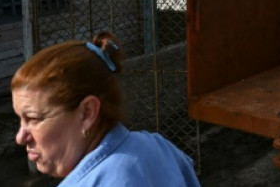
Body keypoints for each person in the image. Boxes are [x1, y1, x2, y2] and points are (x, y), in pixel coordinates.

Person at [11, 31, 200, 186]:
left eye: (33, 118)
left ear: (87, 113)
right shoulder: (160, 148)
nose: (20, 138)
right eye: (20, 119)